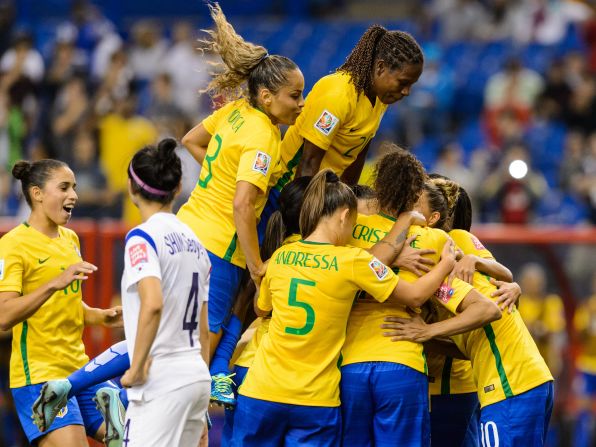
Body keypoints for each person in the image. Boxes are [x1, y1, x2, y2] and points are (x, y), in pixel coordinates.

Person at [232, 169, 458, 446]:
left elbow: (260, 308)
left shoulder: (280, 256)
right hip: (315, 398)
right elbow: (412, 296)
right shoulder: (352, 260)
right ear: (343, 215)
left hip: (261, 389)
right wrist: (446, 264)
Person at [177, 2, 304, 407]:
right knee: (205, 337)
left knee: (203, 322)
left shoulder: (234, 111)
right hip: (219, 246)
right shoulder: (264, 136)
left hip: (187, 227)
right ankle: (172, 409)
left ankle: (216, 381)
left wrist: (226, 176)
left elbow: (191, 141)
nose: (300, 104)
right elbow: (243, 206)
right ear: (267, 97)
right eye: (294, 96)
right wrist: (257, 266)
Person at [340, 149, 501, 447]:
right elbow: (482, 302)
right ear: (414, 193)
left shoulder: (346, 231)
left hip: (350, 364)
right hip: (404, 363)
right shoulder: (436, 239)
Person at [385, 179, 554, 446]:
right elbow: (470, 343)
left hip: (507, 384)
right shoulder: (445, 269)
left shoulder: (447, 254)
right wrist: (424, 336)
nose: (408, 210)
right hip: (521, 380)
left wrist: (428, 329)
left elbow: (488, 308)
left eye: (416, 202)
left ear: (434, 218)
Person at [0, 159, 121, 446]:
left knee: (129, 435)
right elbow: (4, 315)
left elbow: (67, 304)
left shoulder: (70, 238)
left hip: (78, 371)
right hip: (38, 376)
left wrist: (100, 316)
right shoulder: (14, 244)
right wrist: (54, 282)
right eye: (64, 187)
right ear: (37, 193)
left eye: (74, 188)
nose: (74, 196)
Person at [115, 138, 211, 446]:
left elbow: (152, 303)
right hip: (196, 373)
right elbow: (204, 328)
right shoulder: (195, 241)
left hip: (161, 377)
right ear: (178, 186)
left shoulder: (141, 238)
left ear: (132, 187)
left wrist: (136, 367)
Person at [414, 177, 514, 447]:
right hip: (429, 381)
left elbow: (504, 280)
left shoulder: (457, 240)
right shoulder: (422, 243)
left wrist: (423, 334)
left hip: (451, 384)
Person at [279, 24, 424, 188]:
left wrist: (348, 201)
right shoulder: (338, 95)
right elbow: (308, 163)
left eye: (411, 85)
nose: (407, 91)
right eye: (403, 83)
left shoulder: (379, 100)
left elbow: (357, 157)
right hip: (287, 189)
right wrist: (303, 211)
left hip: (324, 193)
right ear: (381, 67)